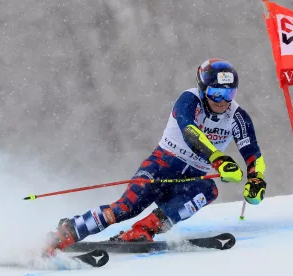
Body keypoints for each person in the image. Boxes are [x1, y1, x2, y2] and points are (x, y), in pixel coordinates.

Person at [44, 58, 267, 255]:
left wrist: (256, 180)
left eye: (229, 93)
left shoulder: (237, 116)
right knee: (124, 209)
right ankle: (66, 233)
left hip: (189, 179)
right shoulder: (189, 100)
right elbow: (190, 132)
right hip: (161, 166)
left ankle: (143, 230)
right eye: (215, 92)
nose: (222, 100)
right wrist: (219, 160)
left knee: (208, 190)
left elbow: (252, 153)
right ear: (203, 89)